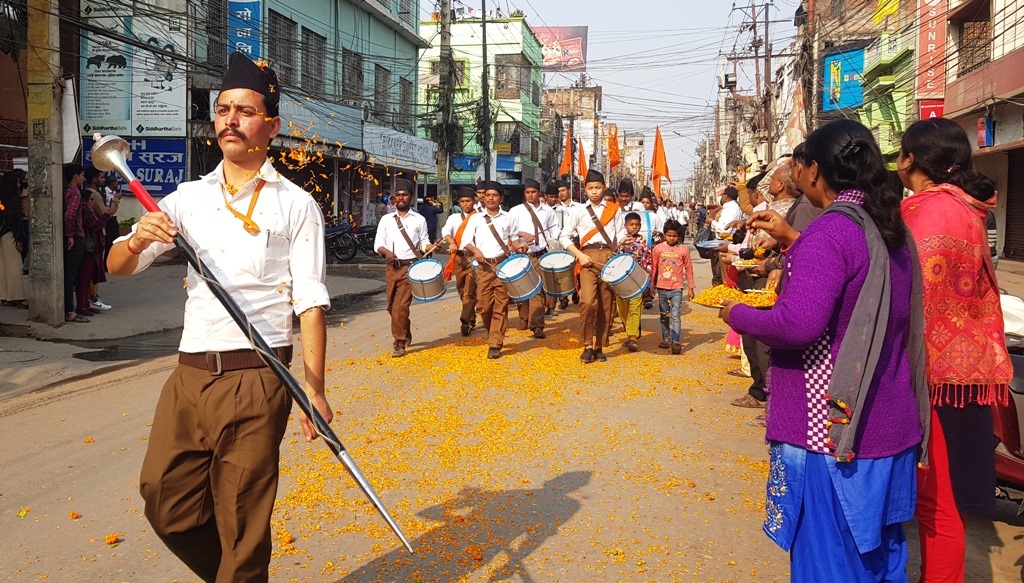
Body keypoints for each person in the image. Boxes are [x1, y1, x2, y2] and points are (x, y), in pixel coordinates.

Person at [106, 52, 333, 582]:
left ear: (270, 126)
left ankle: (241, 572)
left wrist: (315, 388)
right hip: (188, 377)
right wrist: (139, 235)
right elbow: (120, 265)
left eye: (246, 110)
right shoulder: (187, 198)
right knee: (164, 501)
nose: (231, 118)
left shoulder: (296, 205)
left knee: (243, 523)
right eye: (224, 108)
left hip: (258, 377)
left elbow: (310, 301)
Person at [722, 119, 928, 581]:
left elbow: (797, 324)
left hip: (835, 434)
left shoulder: (832, 233)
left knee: (831, 561)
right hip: (890, 427)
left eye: (797, 168)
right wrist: (794, 240)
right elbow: (853, 283)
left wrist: (736, 313)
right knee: (881, 559)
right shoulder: (887, 227)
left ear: (815, 171)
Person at [896, 117, 1012, 583]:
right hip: (966, 371)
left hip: (935, 373)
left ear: (911, 160)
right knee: (945, 497)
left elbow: (896, 287)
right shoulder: (967, 207)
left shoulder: (924, 211)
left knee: (937, 498)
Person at [559, 169, 624, 363]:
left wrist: (624, 240)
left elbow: (618, 233)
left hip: (608, 257)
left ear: (604, 188)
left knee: (606, 304)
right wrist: (579, 255)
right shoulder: (578, 210)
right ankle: (587, 344)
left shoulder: (614, 208)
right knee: (588, 302)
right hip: (586, 257)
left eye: (598, 188)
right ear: (585, 190)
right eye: (590, 188)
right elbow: (564, 236)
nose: (594, 191)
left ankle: (599, 346)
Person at [462, 181, 522, 359]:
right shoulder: (475, 218)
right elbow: (466, 241)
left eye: (494, 195)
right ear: (483, 198)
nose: (490, 198)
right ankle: (492, 331)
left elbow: (513, 240)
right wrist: (476, 251)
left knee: (501, 306)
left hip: (503, 267)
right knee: (484, 306)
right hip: (483, 268)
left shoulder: (508, 217)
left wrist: (521, 247)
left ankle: (495, 342)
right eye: (487, 195)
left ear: (500, 198)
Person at [374, 178, 429, 357]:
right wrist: (386, 252)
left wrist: (429, 247)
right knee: (392, 307)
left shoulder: (419, 220)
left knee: (401, 307)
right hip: (392, 268)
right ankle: (404, 328)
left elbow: (424, 242)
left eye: (404, 195)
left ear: (411, 198)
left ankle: (399, 343)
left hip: (410, 268)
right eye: (397, 195)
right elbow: (378, 244)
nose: (400, 198)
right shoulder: (386, 220)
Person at [509, 177, 558, 338]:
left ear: (539, 193)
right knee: (522, 289)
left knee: (538, 290)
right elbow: (508, 232)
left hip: (539, 255)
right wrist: (522, 234)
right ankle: (524, 317)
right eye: (527, 192)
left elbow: (555, 231)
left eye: (533, 192)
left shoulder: (548, 211)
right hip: (521, 255)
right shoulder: (515, 211)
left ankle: (537, 325)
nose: (530, 195)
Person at [652, 219, 694, 354]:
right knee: (664, 314)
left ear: (679, 236)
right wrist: (651, 285)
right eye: (669, 235)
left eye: (675, 236)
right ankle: (666, 338)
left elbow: (688, 269)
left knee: (675, 314)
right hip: (661, 287)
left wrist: (691, 287)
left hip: (677, 287)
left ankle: (676, 341)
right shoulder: (658, 249)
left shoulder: (683, 250)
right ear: (664, 234)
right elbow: (654, 268)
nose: (672, 238)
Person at [441, 187, 479, 336]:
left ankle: (465, 319)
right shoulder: (454, 218)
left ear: (474, 202)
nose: (465, 204)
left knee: (470, 290)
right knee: (461, 289)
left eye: (468, 201)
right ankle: (471, 317)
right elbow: (446, 232)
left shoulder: (479, 217)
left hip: (473, 257)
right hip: (458, 257)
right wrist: (451, 242)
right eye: (462, 201)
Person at [615, 212, 652, 352]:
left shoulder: (643, 244)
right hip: (621, 282)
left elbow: (648, 262)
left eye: (637, 225)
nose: (634, 227)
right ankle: (629, 330)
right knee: (622, 308)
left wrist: (648, 281)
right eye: (631, 225)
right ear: (625, 226)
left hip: (638, 281)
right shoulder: (620, 242)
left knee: (635, 307)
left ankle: (633, 337)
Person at [83, 167, 114, 311]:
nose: (104, 180)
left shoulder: (95, 193)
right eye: (101, 177)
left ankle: (91, 298)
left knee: (93, 269)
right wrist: (116, 202)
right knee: (93, 270)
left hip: (96, 236)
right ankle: (92, 297)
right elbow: (105, 214)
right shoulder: (94, 194)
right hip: (94, 238)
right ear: (94, 179)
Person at [63, 163, 88, 323]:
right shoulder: (75, 193)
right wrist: (70, 235)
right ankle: (70, 311)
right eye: (82, 175)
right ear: (75, 176)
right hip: (75, 237)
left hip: (70, 236)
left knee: (68, 275)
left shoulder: (65, 192)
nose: (83, 178)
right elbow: (69, 216)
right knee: (71, 276)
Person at [75, 186, 106, 318]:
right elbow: (94, 226)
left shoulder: (89, 211)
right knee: (84, 279)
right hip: (88, 247)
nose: (93, 202)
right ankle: (82, 306)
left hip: (93, 247)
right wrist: (106, 217)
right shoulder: (85, 212)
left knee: (88, 280)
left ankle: (86, 305)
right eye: (91, 199)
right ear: (85, 201)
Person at [0, 170, 28, 308]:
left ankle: (4, 296)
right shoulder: (13, 198)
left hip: (1, 233)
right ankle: (17, 296)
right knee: (16, 266)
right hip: (10, 233)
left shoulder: (2, 196)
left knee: (3, 266)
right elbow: (16, 220)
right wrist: (20, 239)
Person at [103, 175, 123, 268]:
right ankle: (106, 264)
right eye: (115, 182)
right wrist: (116, 199)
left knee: (115, 241)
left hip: (114, 218)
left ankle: (113, 262)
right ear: (111, 183)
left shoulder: (115, 193)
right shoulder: (105, 191)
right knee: (108, 241)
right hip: (108, 219)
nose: (117, 184)